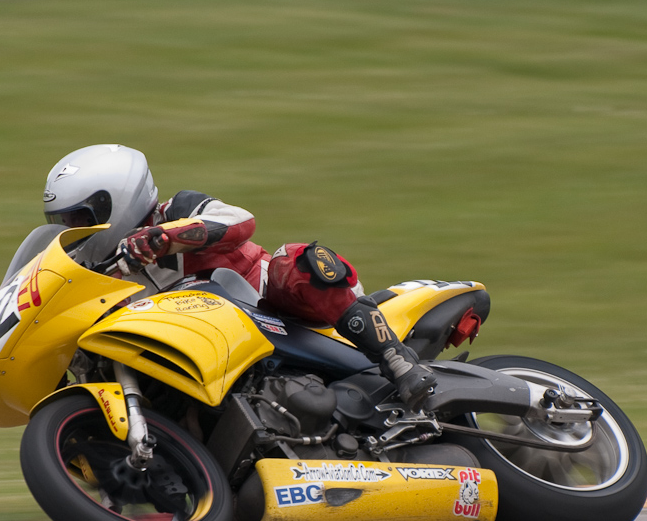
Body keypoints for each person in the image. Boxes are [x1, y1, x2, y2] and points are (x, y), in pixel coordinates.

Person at [43, 144, 437, 410]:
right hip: (208, 353)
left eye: (80, 218)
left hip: (274, 310)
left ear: (116, 200)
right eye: (64, 221)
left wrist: (165, 238)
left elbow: (240, 221)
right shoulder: (97, 274)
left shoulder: (178, 210)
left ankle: (396, 360)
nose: (73, 229)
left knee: (297, 259)